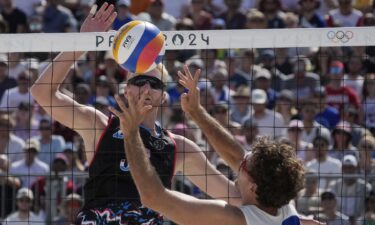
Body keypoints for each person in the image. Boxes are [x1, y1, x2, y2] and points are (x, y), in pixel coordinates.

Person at [30, 3, 238, 224]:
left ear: (163, 95)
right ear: (126, 89)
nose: (146, 89)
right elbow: (42, 92)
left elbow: (234, 196)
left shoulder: (179, 147)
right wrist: (82, 43)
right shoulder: (99, 126)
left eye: (153, 83)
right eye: (139, 81)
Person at [109, 65, 323, 225]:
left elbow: (153, 197)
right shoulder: (285, 208)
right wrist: (197, 112)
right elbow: (235, 154)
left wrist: (131, 134)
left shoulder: (233, 218)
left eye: (245, 166)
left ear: (254, 187)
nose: (240, 161)